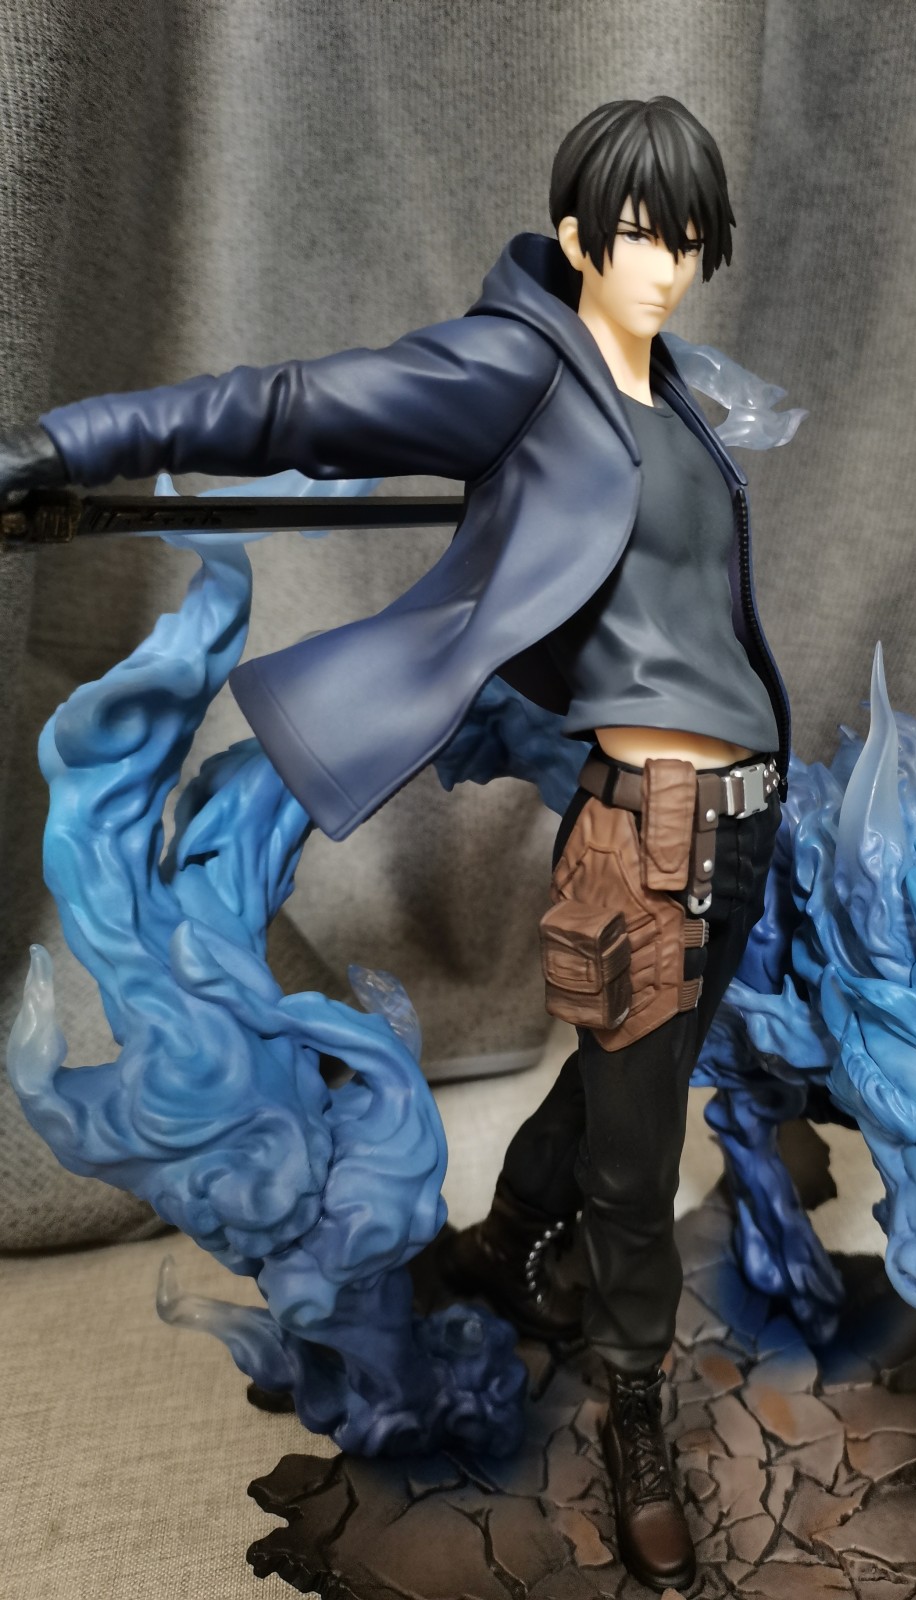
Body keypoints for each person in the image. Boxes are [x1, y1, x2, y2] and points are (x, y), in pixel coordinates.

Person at [0, 97, 790, 1592]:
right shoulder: (518, 368)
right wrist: (65, 441)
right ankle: (634, 1415)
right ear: (576, 235)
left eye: (689, 239)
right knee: (638, 1171)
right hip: (645, 835)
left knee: (630, 1084)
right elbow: (288, 404)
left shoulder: (682, 392)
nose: (666, 266)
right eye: (638, 234)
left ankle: (505, 1240)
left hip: (748, 821)